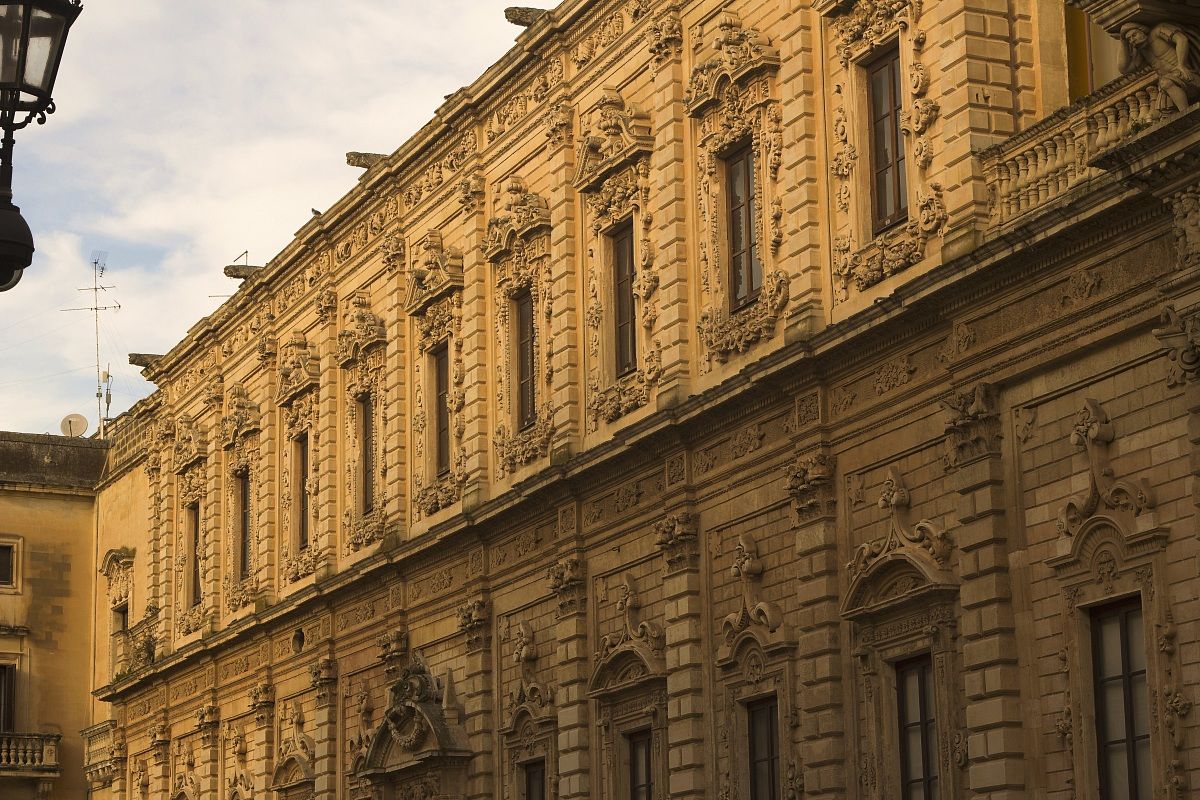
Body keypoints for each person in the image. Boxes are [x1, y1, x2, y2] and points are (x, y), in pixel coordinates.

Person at [1119, 21, 1200, 113]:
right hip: (1169, 87)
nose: (1132, 40)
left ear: (1142, 31)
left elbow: (1181, 39)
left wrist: (1182, 65)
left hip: (1187, 75)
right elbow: (1124, 68)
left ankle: (1186, 114)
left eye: (1134, 35)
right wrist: (1123, 42)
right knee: (1163, 114)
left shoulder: (1158, 30)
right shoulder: (1142, 51)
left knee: (1165, 83)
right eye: (1129, 39)